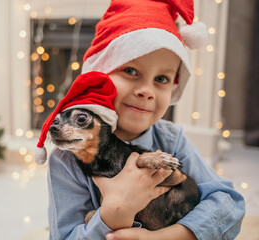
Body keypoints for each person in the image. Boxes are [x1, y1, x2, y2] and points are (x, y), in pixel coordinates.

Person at [34, 0, 245, 239]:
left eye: (162, 79)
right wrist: (111, 215)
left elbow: (229, 204)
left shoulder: (171, 138)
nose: (147, 90)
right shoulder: (67, 158)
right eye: (131, 71)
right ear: (99, 76)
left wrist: (161, 237)